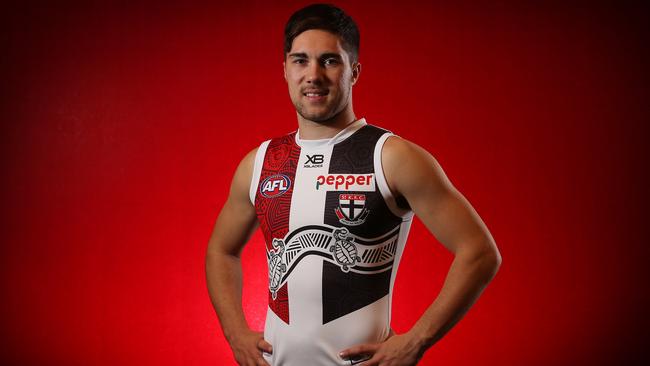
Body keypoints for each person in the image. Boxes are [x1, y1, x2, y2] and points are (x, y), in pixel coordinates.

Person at [205, 4, 501, 365]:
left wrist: (416, 341)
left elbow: (480, 253)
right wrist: (235, 333)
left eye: (330, 61)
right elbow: (221, 251)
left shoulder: (391, 156)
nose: (313, 75)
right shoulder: (261, 162)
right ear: (285, 70)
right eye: (300, 61)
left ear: (354, 71)